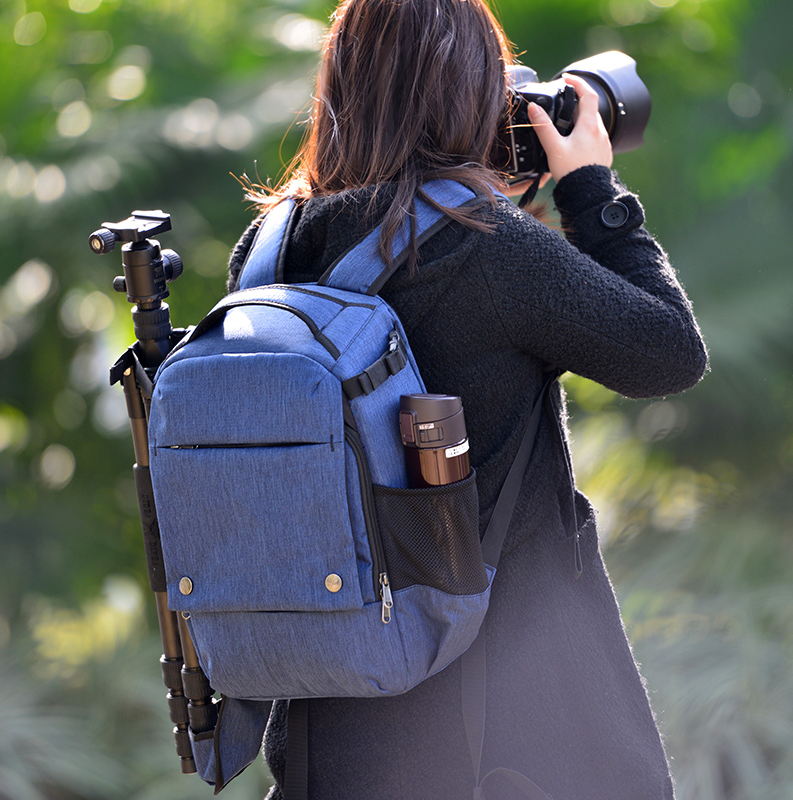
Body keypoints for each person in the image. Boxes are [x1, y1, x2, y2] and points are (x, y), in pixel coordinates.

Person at [226, 0, 708, 797]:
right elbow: (669, 354)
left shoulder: (270, 247)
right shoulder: (486, 245)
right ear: (469, 91)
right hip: (512, 730)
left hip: (331, 729)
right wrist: (593, 191)